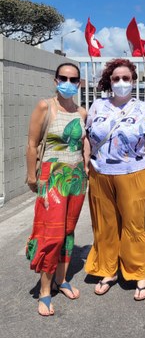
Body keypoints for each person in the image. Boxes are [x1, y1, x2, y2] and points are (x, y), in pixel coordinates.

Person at [84, 58, 145, 301]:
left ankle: (138, 274)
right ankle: (108, 270)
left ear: (133, 81)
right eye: (116, 78)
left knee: (134, 226)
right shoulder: (97, 106)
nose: (120, 82)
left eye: (125, 78)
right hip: (101, 175)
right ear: (109, 81)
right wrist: (87, 163)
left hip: (134, 174)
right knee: (105, 226)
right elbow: (87, 136)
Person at [26, 63, 89, 316]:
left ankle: (61, 280)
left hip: (75, 179)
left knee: (69, 231)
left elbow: (83, 142)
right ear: (55, 81)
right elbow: (31, 144)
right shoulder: (45, 107)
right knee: (51, 234)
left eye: (73, 79)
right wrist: (31, 176)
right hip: (52, 177)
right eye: (63, 78)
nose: (68, 82)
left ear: (79, 83)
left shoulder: (82, 113)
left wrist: (86, 167)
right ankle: (44, 290)